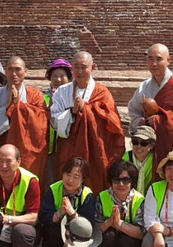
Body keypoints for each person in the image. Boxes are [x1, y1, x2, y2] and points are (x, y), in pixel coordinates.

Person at [50, 51, 125, 193]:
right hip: (69, 146)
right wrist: (72, 112)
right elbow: (54, 120)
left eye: (83, 67)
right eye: (76, 67)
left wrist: (87, 109)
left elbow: (113, 122)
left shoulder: (102, 92)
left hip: (94, 147)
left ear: (93, 67)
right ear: (71, 68)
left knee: (94, 179)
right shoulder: (62, 92)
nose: (79, 71)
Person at [0, 56, 50, 184]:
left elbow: (42, 123)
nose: (14, 73)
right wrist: (6, 107)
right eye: (10, 69)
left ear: (25, 71)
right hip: (1, 146)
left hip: (26, 150)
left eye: (18, 69)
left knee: (27, 183)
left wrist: (18, 107)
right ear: (5, 71)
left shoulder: (35, 95)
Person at [126, 43, 173, 163]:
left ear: (168, 61)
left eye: (159, 59)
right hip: (148, 147)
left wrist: (160, 120)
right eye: (150, 59)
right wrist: (140, 121)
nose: (154, 64)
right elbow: (134, 112)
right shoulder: (144, 87)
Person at [39, 156, 97, 247]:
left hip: (77, 233)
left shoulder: (87, 194)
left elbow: (89, 225)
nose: (70, 180)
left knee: (86, 234)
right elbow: (44, 217)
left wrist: (72, 214)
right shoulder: (53, 189)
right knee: (49, 230)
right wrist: (61, 212)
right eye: (67, 174)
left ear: (83, 179)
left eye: (76, 177)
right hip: (57, 230)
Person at [93, 159, 146, 247]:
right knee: (109, 235)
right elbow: (95, 230)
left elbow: (142, 233)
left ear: (132, 182)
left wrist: (120, 224)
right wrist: (109, 223)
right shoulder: (102, 197)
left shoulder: (140, 200)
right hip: (108, 240)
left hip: (129, 243)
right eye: (116, 180)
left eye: (126, 180)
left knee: (128, 240)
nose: (121, 184)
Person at [123, 125, 156, 195]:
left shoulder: (155, 160)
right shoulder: (124, 158)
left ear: (151, 146)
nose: (138, 146)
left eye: (144, 143)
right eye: (135, 142)